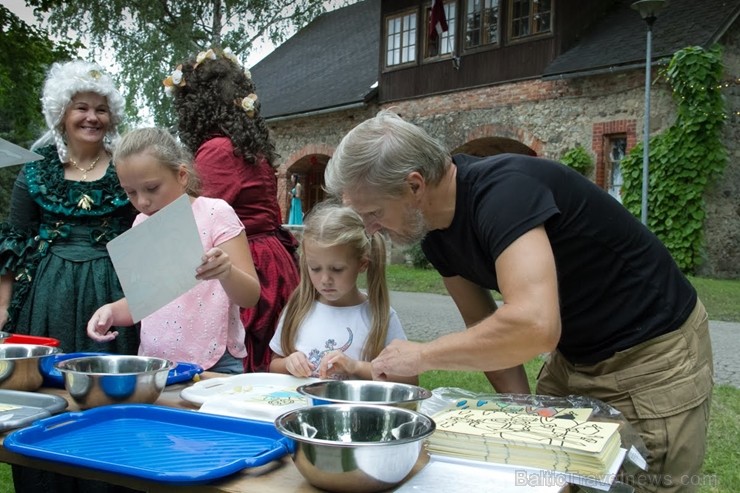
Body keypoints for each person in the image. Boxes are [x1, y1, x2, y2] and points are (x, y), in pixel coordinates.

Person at [324, 110, 713, 493]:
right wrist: (523, 416)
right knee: (546, 475)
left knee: (638, 483)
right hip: (573, 358)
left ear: (414, 186)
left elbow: (534, 325)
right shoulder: (437, 235)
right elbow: (484, 326)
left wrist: (423, 355)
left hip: (651, 357)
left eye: (373, 212)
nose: (370, 228)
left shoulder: (505, 192)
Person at [0, 60, 141, 493]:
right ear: (62, 112)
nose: (92, 117)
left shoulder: (128, 169)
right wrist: (3, 309)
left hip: (112, 301)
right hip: (45, 300)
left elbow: (152, 228)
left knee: (108, 398)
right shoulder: (36, 172)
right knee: (48, 396)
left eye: (101, 109)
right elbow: (13, 242)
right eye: (82, 107)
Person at [167, 47, 300, 372]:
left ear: (196, 106)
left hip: (245, 260)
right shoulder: (247, 146)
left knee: (245, 359)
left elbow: (197, 219)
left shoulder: (218, 150)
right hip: (271, 258)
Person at [87, 127, 261, 374]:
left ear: (181, 175)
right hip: (155, 363)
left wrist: (226, 272)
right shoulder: (141, 223)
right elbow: (146, 299)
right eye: (131, 193)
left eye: (152, 188)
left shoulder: (215, 214)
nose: (142, 202)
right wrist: (111, 311)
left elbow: (250, 296)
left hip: (213, 362)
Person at [269, 201, 416, 384]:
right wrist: (288, 364)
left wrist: (355, 367)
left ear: (362, 264)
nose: (325, 279)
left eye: (337, 269)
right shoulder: (298, 309)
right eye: (315, 268)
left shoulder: (380, 316)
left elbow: (409, 379)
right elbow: (274, 365)